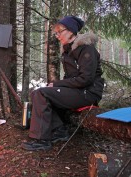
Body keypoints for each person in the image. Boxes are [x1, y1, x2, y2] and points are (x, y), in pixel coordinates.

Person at [21, 16, 104, 151]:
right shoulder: (67, 52)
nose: (57, 35)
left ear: (71, 31)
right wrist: (56, 85)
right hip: (78, 91)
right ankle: (59, 130)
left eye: (60, 31)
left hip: (89, 92)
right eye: (56, 32)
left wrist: (57, 84)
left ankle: (42, 139)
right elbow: (69, 78)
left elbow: (86, 79)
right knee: (37, 92)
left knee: (42, 93)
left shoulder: (86, 49)